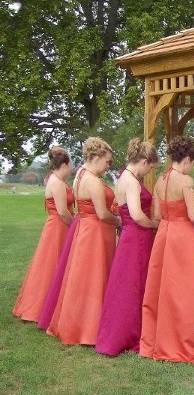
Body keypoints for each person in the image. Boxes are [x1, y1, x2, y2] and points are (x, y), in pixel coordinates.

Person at [140, 135, 194, 363]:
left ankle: (159, 339)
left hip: (164, 235)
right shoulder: (185, 181)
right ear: (188, 159)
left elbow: (156, 216)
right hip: (182, 237)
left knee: (162, 290)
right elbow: (193, 216)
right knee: (184, 290)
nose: (193, 166)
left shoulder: (160, 181)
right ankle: (183, 340)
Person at [47, 137, 120, 345]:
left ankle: (76, 323)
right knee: (93, 278)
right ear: (96, 157)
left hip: (87, 230)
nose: (108, 166)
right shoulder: (93, 181)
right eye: (107, 161)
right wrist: (119, 221)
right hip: (96, 232)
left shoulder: (80, 174)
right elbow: (103, 214)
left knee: (82, 278)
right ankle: (88, 328)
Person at [96, 138, 159, 357]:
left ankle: (128, 330)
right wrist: (154, 225)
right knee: (132, 286)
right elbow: (136, 214)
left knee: (128, 285)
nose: (149, 171)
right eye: (150, 167)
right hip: (137, 238)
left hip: (131, 237)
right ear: (143, 161)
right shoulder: (131, 181)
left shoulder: (125, 176)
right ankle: (129, 333)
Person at [13, 147, 74, 322]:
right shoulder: (56, 183)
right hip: (58, 227)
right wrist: (76, 226)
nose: (71, 169)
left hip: (58, 226)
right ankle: (42, 306)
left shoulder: (56, 181)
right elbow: (62, 211)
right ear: (64, 164)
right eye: (70, 164)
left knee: (54, 264)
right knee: (51, 264)